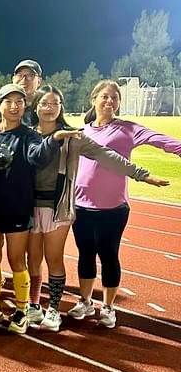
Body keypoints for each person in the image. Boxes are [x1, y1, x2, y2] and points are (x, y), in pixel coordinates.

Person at [27, 85, 167, 331]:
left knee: (55, 259)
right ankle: (33, 304)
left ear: (61, 107)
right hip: (28, 206)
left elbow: (107, 155)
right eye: (44, 103)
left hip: (58, 207)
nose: (49, 108)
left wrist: (141, 175)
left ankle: (54, 310)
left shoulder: (74, 137)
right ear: (36, 106)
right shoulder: (26, 134)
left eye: (54, 103)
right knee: (33, 259)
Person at [68, 80, 180, 329]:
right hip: (81, 206)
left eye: (115, 98)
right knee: (85, 255)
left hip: (113, 208)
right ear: (93, 99)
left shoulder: (128, 129)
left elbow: (160, 140)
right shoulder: (81, 132)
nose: (109, 101)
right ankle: (85, 301)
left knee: (108, 256)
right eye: (105, 97)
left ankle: (108, 307)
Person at [0, 84, 75, 334]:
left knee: (17, 261)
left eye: (19, 102)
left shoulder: (30, 136)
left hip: (17, 207)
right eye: (8, 101)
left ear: (25, 106)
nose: (14, 106)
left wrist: (54, 140)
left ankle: (21, 310)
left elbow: (38, 157)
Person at [0, 60, 43, 129]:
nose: (24, 79)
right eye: (19, 75)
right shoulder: (4, 105)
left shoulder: (45, 106)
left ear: (39, 81)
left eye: (30, 75)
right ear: (13, 79)